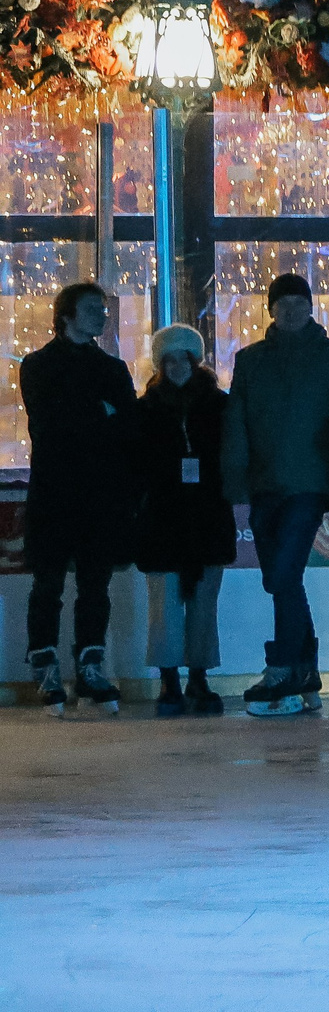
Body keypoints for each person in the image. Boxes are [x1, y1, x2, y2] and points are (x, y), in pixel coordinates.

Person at [223, 274, 329, 718]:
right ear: (271, 310)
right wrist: (238, 487)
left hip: (312, 485)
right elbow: (238, 425)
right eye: (282, 303)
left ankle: (283, 665)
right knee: (285, 580)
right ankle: (305, 669)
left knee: (282, 577)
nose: (290, 310)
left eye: (298, 303)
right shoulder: (251, 361)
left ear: (311, 307)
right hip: (266, 485)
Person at [19, 281, 137, 715]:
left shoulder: (112, 368)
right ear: (66, 314)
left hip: (99, 495)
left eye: (103, 309)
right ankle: (46, 665)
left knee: (94, 584)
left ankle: (89, 663)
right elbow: (49, 424)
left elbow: (127, 426)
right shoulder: (38, 365)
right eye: (92, 308)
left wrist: (93, 417)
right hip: (55, 493)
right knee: (48, 583)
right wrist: (100, 414)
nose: (101, 316)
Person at [130, 326, 233, 716]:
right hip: (162, 517)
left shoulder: (220, 406)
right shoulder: (145, 410)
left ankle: (199, 677)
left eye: (183, 358)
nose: (176, 366)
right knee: (165, 605)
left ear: (196, 360)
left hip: (207, 515)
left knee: (204, 603)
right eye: (167, 359)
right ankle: (169, 678)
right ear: (159, 365)